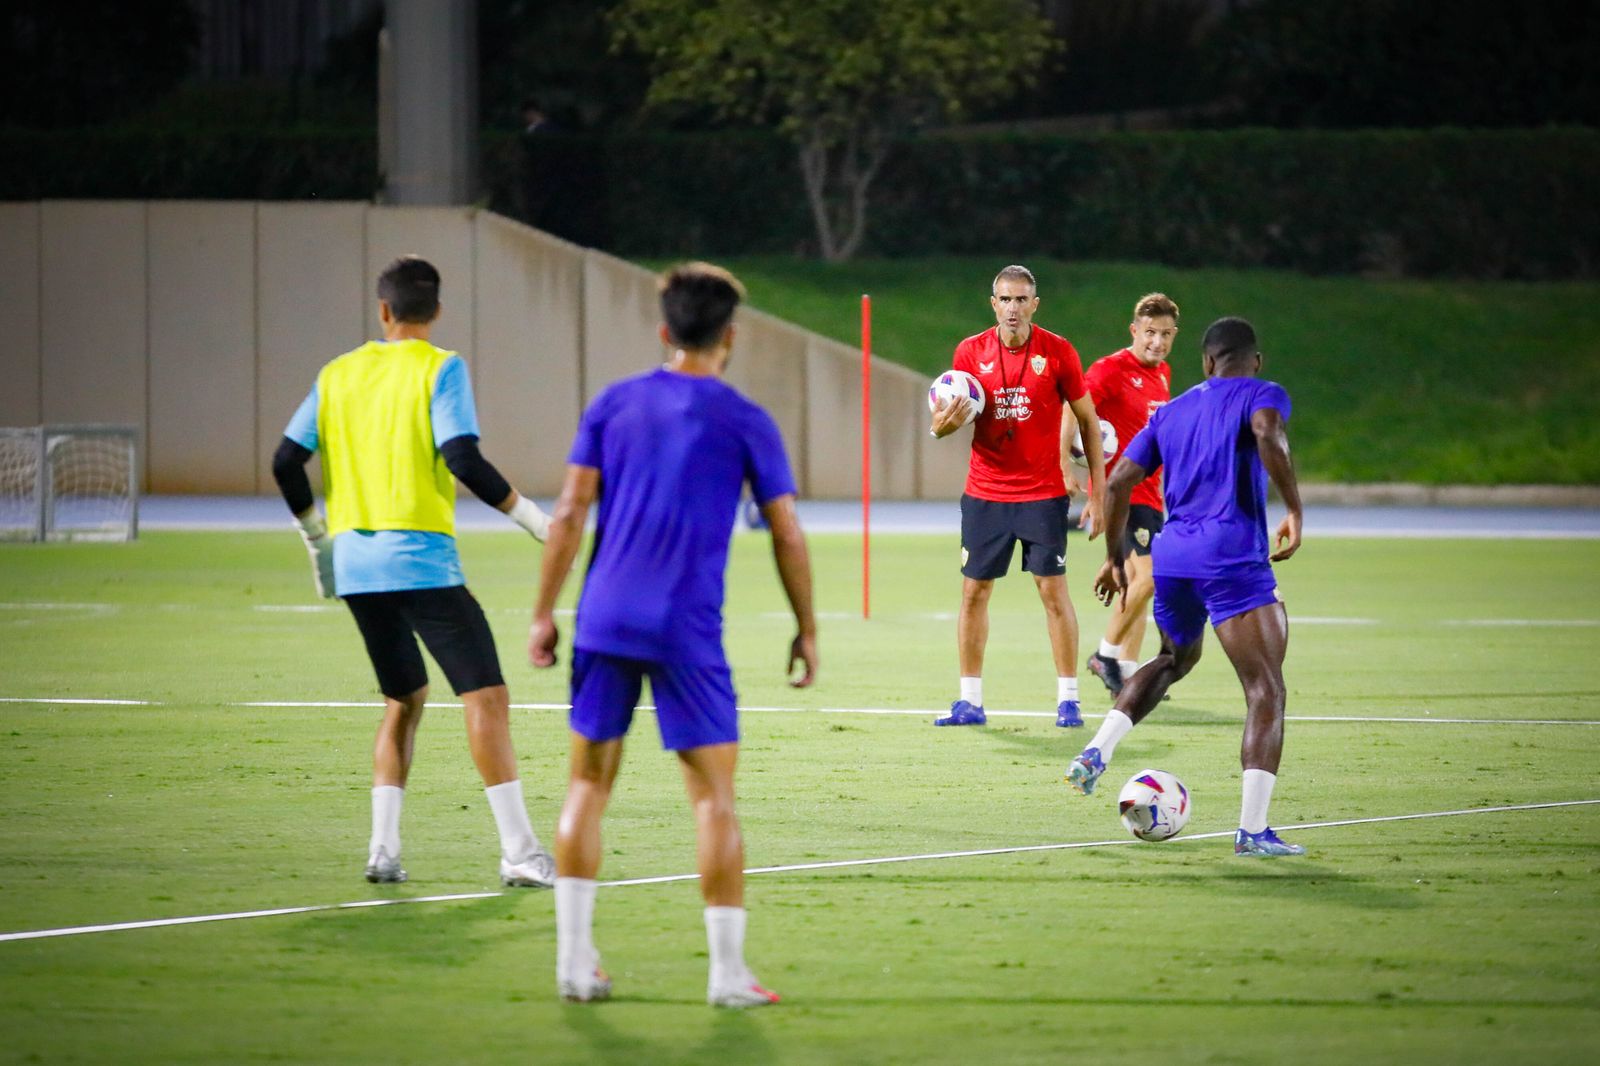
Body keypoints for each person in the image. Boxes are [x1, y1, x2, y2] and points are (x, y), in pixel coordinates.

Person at [528, 262, 818, 1007]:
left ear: (664, 331)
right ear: (731, 337)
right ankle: (725, 976)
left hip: (604, 618)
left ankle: (571, 962)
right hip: (686, 627)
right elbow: (786, 530)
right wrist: (806, 627)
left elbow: (566, 514)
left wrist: (542, 612)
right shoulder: (745, 418)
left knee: (587, 784)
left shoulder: (613, 403)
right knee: (714, 798)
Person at [271, 255, 557, 887]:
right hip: (420, 560)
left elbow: (286, 461)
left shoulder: (338, 373)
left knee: (404, 699)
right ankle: (518, 851)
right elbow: (461, 456)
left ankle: (383, 851)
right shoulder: (441, 368)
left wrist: (317, 538)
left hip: (356, 568)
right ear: (436, 312)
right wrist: (537, 521)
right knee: (485, 698)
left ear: (383, 310)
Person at [1065, 317, 1307, 857]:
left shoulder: (1171, 410)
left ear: (1204, 362)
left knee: (1174, 657)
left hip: (1173, 556)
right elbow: (1268, 432)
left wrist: (1115, 557)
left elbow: (1122, 479)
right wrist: (1292, 507)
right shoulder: (1262, 394)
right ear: (1255, 361)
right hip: (1232, 558)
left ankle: (1097, 753)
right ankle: (1252, 831)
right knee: (1266, 689)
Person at [929, 264, 1107, 729]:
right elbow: (947, 420)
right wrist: (940, 428)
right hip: (985, 492)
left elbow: (1087, 421)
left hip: (1043, 493)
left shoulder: (1058, 351)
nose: (1013, 308)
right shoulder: (969, 353)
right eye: (1005, 299)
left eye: (1021, 299)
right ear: (993, 304)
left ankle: (1069, 699)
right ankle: (970, 701)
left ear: (1034, 304)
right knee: (973, 592)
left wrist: (1099, 493)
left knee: (1052, 591)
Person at [1066, 293, 1179, 695]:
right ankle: (1105, 656)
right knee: (1148, 579)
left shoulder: (1162, 373)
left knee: (1139, 586)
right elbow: (1073, 408)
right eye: (1150, 333)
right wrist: (1070, 464)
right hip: (1121, 496)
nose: (1157, 342)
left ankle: (1127, 678)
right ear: (1134, 331)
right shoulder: (1110, 370)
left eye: (1165, 334)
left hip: (1150, 495)